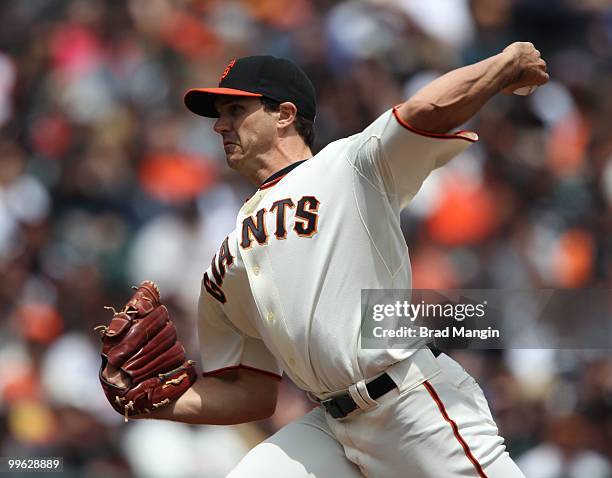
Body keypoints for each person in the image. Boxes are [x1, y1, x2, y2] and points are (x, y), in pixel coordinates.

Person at [138, 43, 549, 477]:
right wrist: (160, 403)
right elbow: (254, 393)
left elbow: (424, 111)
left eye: (235, 110)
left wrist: (505, 64)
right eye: (219, 114)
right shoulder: (229, 254)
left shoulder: (348, 167)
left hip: (408, 405)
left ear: (284, 115)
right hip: (332, 428)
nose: (219, 125)